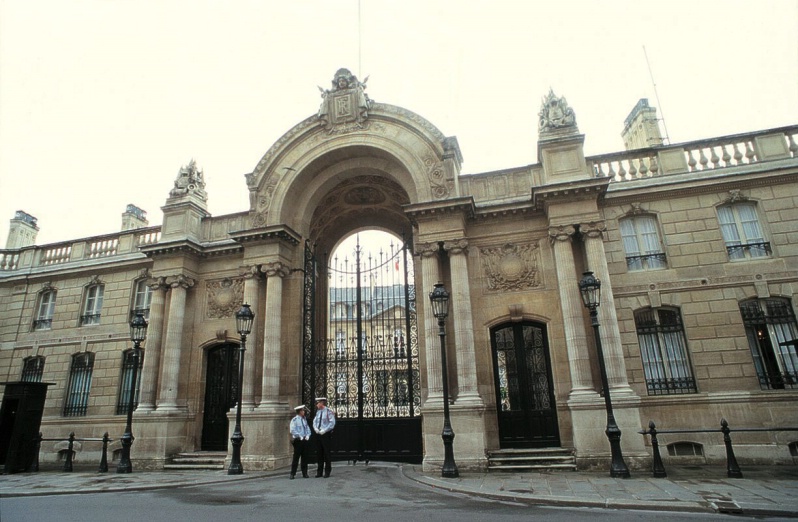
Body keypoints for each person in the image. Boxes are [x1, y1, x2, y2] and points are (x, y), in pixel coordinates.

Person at [313, 397, 336, 478]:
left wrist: (325, 430)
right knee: (319, 453)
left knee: (326, 453)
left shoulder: (328, 412)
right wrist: (315, 428)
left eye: (318, 403)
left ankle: (327, 471)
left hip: (325, 434)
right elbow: (315, 421)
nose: (316, 405)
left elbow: (332, 423)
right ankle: (319, 472)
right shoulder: (318, 412)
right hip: (318, 434)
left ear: (322, 403)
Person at [289, 405, 311, 479]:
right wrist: (299, 436)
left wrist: (308, 435)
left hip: (304, 439)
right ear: (299, 412)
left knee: (305, 457)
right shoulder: (294, 420)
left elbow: (307, 428)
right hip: (298, 440)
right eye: (302, 410)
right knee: (296, 457)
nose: (304, 412)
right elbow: (292, 430)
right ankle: (293, 473)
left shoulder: (304, 420)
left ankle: (305, 473)